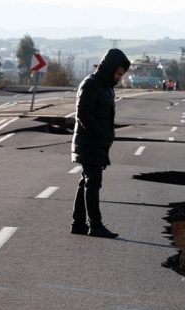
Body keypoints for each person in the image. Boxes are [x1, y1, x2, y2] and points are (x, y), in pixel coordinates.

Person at [70, 48, 130, 238]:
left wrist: (106, 138)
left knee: (86, 182)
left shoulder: (106, 87)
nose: (119, 77)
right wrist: (100, 136)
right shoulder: (91, 84)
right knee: (93, 183)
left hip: (97, 143)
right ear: (109, 68)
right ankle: (95, 225)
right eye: (118, 73)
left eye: (121, 74)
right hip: (89, 142)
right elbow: (83, 115)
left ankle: (78, 223)